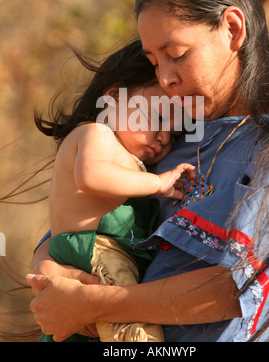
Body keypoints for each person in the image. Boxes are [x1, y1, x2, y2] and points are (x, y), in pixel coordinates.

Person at [27, 0, 269, 342]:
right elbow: (80, 223)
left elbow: (234, 289)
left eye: (178, 54)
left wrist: (97, 302)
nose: (166, 78)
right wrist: (51, 269)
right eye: (154, 61)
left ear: (233, 30)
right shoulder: (167, 140)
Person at [31, 40, 196, 343]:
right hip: (96, 254)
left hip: (103, 259)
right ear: (113, 100)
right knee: (135, 330)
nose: (163, 137)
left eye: (173, 134)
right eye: (158, 118)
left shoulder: (129, 158)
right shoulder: (97, 134)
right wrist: (158, 185)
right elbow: (92, 177)